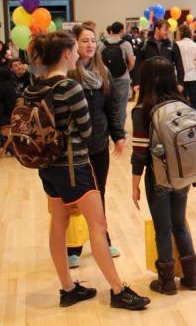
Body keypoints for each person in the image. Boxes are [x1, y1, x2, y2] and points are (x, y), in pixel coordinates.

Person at [29, 31, 150, 310]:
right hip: (75, 166)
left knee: (58, 225)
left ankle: (68, 288)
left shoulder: (34, 86)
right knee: (98, 225)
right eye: (74, 50)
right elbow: (86, 130)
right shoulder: (70, 87)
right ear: (65, 54)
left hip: (47, 166)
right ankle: (119, 290)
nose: (78, 54)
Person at [131, 56, 196, 295]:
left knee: (163, 228)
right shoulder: (182, 103)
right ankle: (192, 277)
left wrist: (135, 185)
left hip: (158, 176)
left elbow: (139, 154)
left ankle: (167, 281)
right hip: (182, 174)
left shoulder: (142, 110)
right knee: (180, 224)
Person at [66, 24, 127, 266]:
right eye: (84, 41)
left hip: (99, 144)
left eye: (93, 40)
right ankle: (74, 245)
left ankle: (103, 236)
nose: (90, 45)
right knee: (77, 195)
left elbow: (111, 107)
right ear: (75, 45)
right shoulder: (69, 74)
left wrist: (118, 134)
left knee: (99, 191)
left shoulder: (103, 73)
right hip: (75, 147)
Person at [133, 19, 184, 92]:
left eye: (168, 31)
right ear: (157, 29)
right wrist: (136, 82)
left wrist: (180, 83)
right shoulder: (144, 45)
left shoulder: (173, 45)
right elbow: (138, 65)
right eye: (165, 30)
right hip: (149, 84)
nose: (167, 33)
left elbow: (180, 65)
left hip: (168, 84)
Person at [100, 21, 135, 129]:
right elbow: (131, 62)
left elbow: (98, 61)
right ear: (121, 31)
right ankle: (119, 131)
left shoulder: (102, 44)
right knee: (121, 106)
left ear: (111, 30)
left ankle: (107, 129)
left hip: (106, 79)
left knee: (107, 105)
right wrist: (126, 71)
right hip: (123, 79)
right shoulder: (126, 44)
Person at [175, 24, 196, 111]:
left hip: (179, 78)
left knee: (181, 104)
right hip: (192, 77)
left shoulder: (176, 44)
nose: (176, 34)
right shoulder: (195, 45)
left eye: (177, 32)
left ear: (181, 33)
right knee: (195, 103)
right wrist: (191, 64)